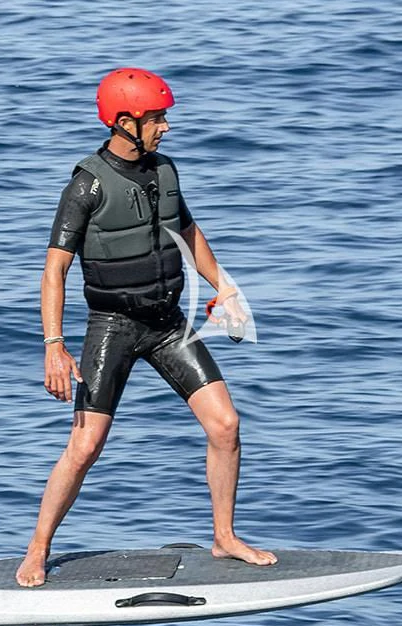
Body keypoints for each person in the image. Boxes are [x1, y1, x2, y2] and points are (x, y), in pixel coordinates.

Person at [16, 68, 275, 588]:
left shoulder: (166, 171)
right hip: (113, 325)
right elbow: (54, 270)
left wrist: (224, 286)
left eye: (164, 117)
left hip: (166, 323)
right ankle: (37, 549)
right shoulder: (86, 184)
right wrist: (53, 346)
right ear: (124, 121)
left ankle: (224, 536)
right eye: (157, 118)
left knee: (225, 425)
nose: (166, 127)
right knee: (86, 445)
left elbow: (188, 230)